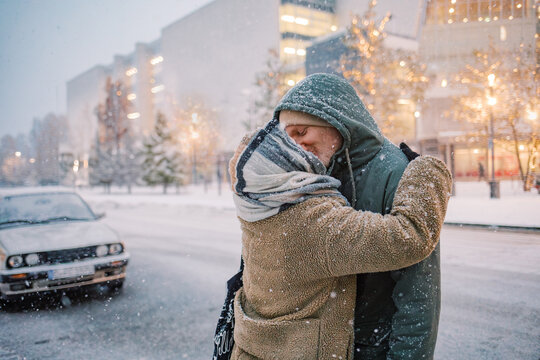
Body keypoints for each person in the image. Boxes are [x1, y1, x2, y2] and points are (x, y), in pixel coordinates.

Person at [229, 117, 452, 359]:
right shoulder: (310, 224)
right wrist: (428, 172)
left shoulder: (255, 208)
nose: (302, 147)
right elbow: (408, 237)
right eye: (293, 148)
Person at [274, 73, 442, 359]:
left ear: (335, 124)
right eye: (288, 138)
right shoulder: (305, 175)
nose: (296, 147)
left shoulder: (395, 170)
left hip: (371, 347)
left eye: (302, 133)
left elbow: (418, 296)